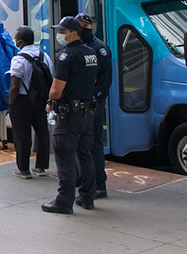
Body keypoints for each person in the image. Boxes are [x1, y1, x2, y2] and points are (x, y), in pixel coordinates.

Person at [42, 16, 98, 215]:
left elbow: (56, 89)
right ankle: (87, 197)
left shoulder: (67, 56)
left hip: (69, 115)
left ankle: (64, 201)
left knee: (64, 156)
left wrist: (50, 102)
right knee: (85, 155)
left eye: (62, 32)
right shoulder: (91, 53)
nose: (59, 35)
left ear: (73, 33)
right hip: (87, 113)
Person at [75, 13, 114, 199]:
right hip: (81, 103)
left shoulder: (99, 49)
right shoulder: (80, 47)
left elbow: (104, 81)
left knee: (93, 145)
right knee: (80, 144)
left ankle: (99, 184)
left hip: (92, 104)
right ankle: (83, 180)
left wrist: (95, 101)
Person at [7, 26, 53, 179]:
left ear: (20, 42)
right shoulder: (44, 56)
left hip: (22, 100)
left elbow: (15, 84)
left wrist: (11, 102)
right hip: (40, 99)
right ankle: (40, 166)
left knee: (22, 134)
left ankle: (24, 169)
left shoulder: (19, 59)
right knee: (42, 131)